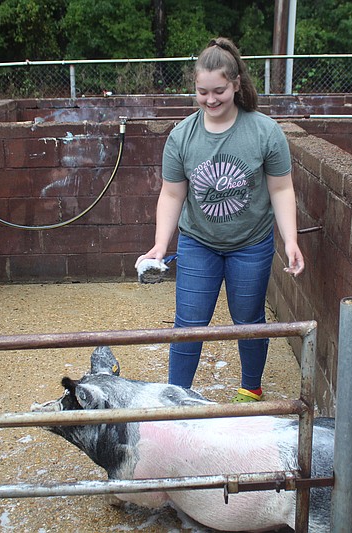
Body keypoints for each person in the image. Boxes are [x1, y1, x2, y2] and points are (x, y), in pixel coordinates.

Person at [136, 37, 305, 402]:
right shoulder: (182, 136)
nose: (210, 100)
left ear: (236, 85)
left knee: (248, 319)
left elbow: (281, 189)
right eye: (202, 92)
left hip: (252, 243)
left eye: (219, 91)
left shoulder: (264, 132)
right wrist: (160, 245)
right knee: (190, 323)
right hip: (199, 241)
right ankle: (176, 399)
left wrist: (290, 240)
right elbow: (171, 194)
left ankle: (250, 390)